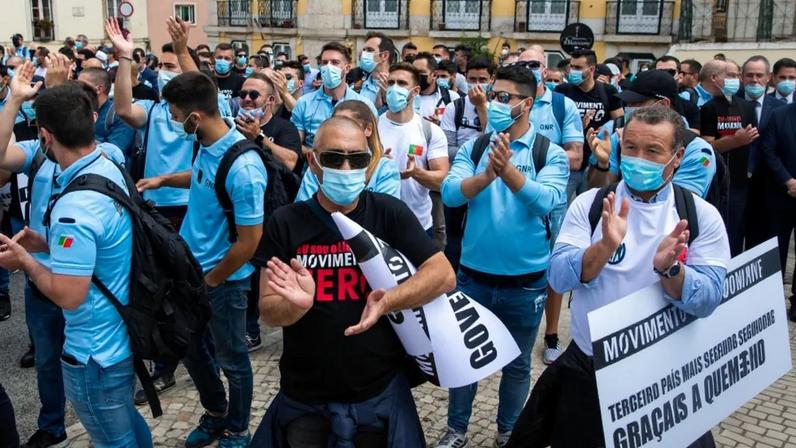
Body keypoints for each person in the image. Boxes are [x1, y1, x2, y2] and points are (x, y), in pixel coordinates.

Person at [508, 105, 730, 448]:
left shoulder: (699, 217)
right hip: (589, 369)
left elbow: (709, 298)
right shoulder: (591, 204)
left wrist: (671, 270)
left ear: (677, 156)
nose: (639, 158)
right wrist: (604, 248)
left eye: (653, 151)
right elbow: (558, 276)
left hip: (663, 377)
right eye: (631, 148)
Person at [250, 116, 455, 447]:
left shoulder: (389, 212)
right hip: (305, 393)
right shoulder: (286, 222)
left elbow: (442, 274)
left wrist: (389, 299)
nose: (346, 168)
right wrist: (294, 306)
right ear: (314, 162)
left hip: (379, 389)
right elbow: (268, 311)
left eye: (356, 158)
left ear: (369, 163)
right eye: (333, 158)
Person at [0, 80, 153, 447]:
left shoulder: (73, 208)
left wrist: (25, 261)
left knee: (114, 440)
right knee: (129, 426)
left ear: (45, 136)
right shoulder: (108, 162)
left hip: (93, 352)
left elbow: (69, 295)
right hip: (118, 333)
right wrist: (49, 242)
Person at [437, 64, 569, 448]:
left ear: (526, 103)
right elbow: (450, 193)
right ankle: (456, 429)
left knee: (516, 364)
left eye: (504, 97)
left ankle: (509, 431)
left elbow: (546, 201)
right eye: (494, 95)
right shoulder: (475, 147)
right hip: (473, 277)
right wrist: (486, 176)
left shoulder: (550, 153)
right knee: (464, 360)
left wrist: (508, 171)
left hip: (525, 283)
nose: (494, 103)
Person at [139, 70, 267, 447]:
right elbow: (199, 177)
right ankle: (215, 412)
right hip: (192, 274)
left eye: (177, 116)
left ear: (195, 117)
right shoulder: (207, 146)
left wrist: (212, 280)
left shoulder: (244, 168)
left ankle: (238, 428)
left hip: (224, 281)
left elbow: (250, 241)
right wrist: (163, 181)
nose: (175, 123)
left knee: (232, 359)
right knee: (193, 351)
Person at [108, 17, 198, 401]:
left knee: (186, 286)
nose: (166, 75)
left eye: (173, 68)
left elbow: (201, 88)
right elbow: (124, 108)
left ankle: (193, 353)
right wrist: (125, 58)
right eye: (162, 68)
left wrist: (183, 52)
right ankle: (163, 366)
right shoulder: (156, 110)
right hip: (153, 208)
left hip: (188, 207)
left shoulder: (197, 115)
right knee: (157, 286)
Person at [516, 47, 584, 365]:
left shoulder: (561, 105)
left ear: (545, 70)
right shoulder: (506, 100)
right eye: (521, 64)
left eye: (533, 64)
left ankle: (552, 334)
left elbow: (575, 155)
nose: (527, 69)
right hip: (512, 199)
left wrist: (533, 159)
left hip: (552, 204)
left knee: (553, 270)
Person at [587, 69, 718, 201]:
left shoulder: (697, 150)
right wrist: (603, 164)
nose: (629, 108)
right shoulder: (615, 133)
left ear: (663, 104)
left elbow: (680, 206)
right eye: (628, 103)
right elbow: (598, 192)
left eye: (638, 103)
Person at [378, 62, 449, 240]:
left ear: (415, 91)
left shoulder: (430, 131)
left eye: (402, 84)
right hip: (377, 223)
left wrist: (416, 172)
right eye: (391, 83)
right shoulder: (371, 127)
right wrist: (375, 166)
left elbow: (442, 182)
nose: (394, 89)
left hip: (418, 225)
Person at [698, 59, 757, 256]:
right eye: (730, 75)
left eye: (736, 75)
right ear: (716, 79)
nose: (735, 80)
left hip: (742, 182)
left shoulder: (747, 108)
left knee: (736, 234)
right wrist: (734, 140)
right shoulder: (709, 108)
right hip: (718, 182)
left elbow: (754, 142)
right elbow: (707, 147)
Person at [296, 99, 400, 201]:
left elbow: (385, 212)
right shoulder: (319, 163)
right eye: (335, 123)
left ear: (368, 129)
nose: (341, 129)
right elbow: (303, 207)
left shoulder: (384, 169)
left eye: (350, 124)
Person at [555, 49, 623, 200]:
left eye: (578, 68)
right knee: (558, 209)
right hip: (569, 163)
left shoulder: (608, 92)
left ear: (591, 69)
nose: (572, 71)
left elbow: (619, 124)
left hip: (595, 164)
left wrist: (605, 132)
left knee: (592, 206)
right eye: (571, 67)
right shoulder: (562, 91)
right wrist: (579, 126)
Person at [291, 42, 377, 155]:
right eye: (324, 63)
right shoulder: (304, 103)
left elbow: (373, 146)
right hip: (313, 170)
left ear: (347, 68)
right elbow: (295, 145)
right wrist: (317, 157)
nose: (328, 66)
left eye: (335, 62)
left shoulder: (365, 105)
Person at [739, 55, 786, 249]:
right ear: (742, 77)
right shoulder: (728, 103)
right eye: (749, 75)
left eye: (759, 75)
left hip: (767, 184)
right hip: (735, 183)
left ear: (769, 78)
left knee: (759, 241)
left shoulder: (781, 109)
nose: (754, 80)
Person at [760, 102, 796, 321]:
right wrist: (788, 180)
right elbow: (768, 150)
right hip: (781, 194)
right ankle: (771, 299)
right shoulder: (780, 115)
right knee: (777, 247)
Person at [78, 66, 137, 158]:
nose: (77, 89)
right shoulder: (80, 110)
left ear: (99, 89)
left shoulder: (119, 115)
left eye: (82, 86)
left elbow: (113, 153)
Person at [655, 55, 701, 134]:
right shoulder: (644, 101)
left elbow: (696, 132)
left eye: (670, 72)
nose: (664, 76)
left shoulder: (689, 107)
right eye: (659, 72)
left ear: (680, 76)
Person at [412, 52, 460, 123]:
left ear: (434, 75)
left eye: (421, 72)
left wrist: (439, 125)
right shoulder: (406, 96)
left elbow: (457, 127)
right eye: (413, 72)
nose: (416, 76)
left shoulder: (451, 97)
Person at [358, 32, 396, 108]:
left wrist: (387, 103)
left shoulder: (400, 85)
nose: (363, 54)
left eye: (369, 50)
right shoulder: (358, 87)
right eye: (364, 50)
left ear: (384, 55)